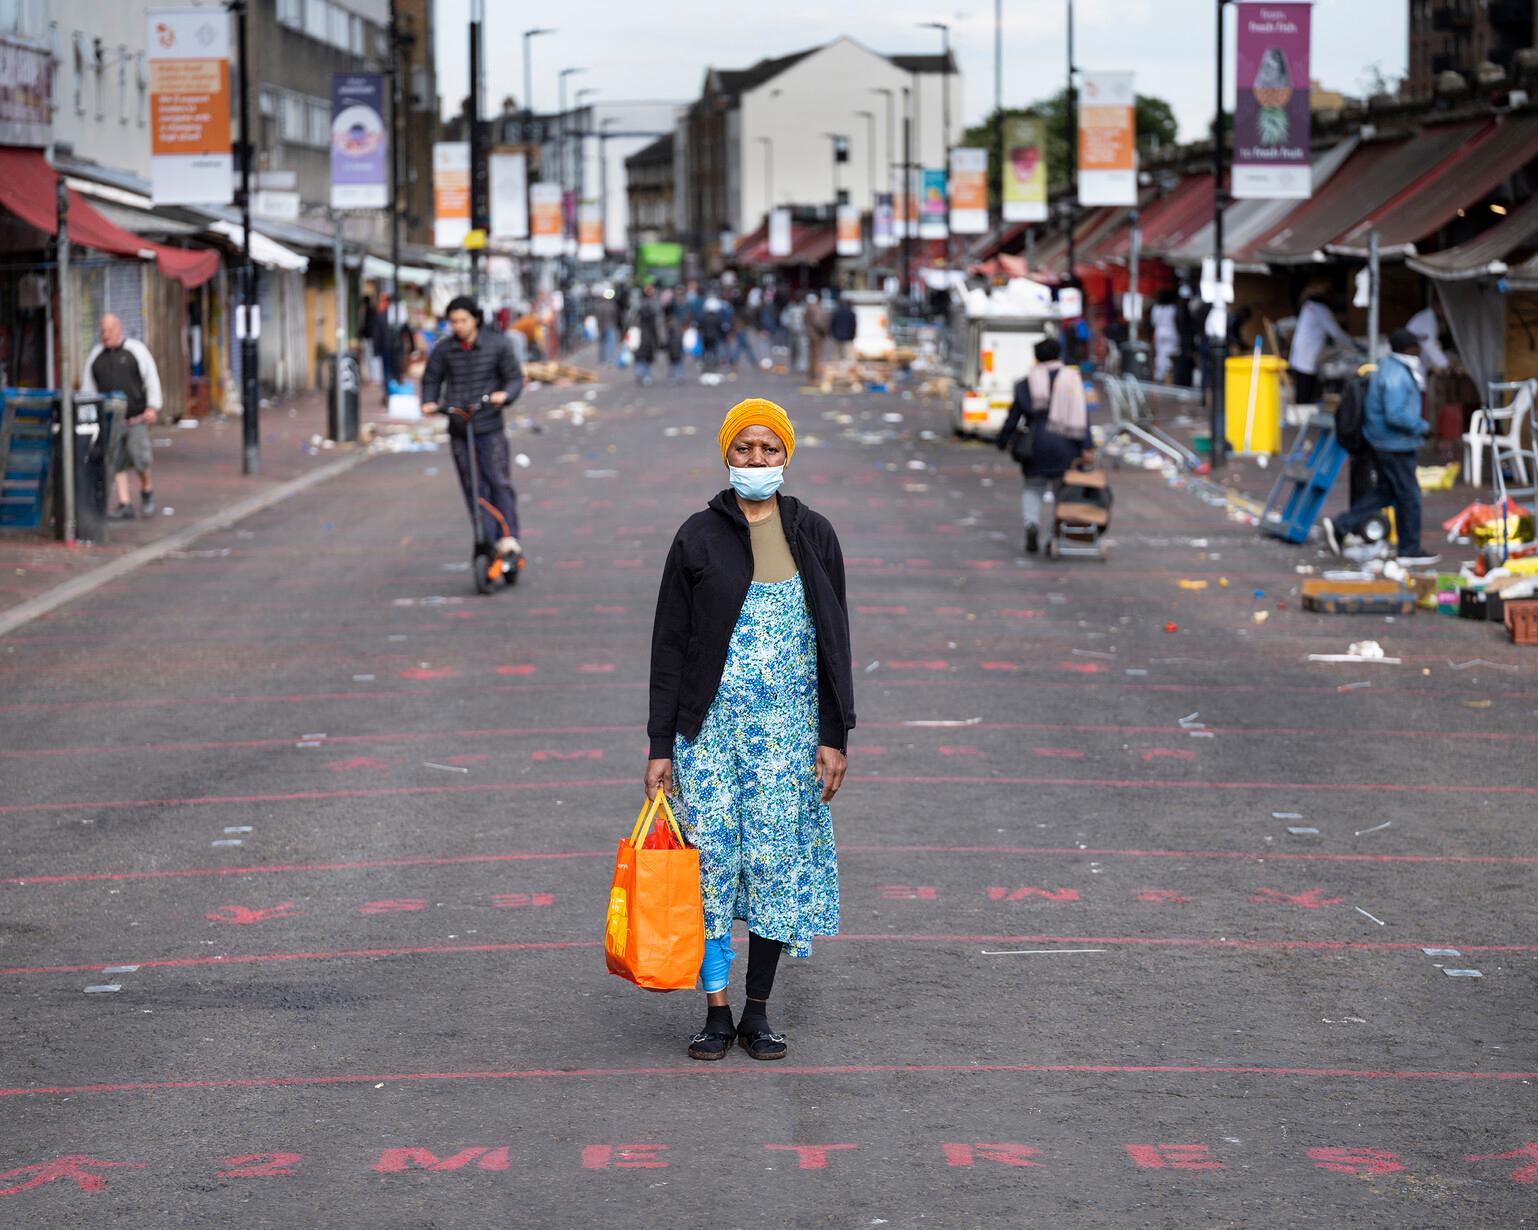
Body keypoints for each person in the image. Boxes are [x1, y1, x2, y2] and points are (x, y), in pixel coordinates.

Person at [646, 398, 854, 1062]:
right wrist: (660, 745)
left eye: (769, 449)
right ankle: (715, 1011)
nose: (756, 460)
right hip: (707, 737)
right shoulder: (696, 537)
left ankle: (757, 1013)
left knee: (772, 866)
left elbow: (834, 642)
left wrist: (834, 735)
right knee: (708, 869)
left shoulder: (814, 534)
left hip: (787, 740)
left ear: (786, 456)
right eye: (744, 449)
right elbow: (670, 645)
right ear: (725, 454)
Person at [420, 295, 524, 564]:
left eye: (462, 320)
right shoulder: (444, 349)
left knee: (497, 481)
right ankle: (485, 539)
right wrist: (429, 402)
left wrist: (505, 395)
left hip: (489, 424)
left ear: (475, 319)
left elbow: (514, 378)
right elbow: (432, 378)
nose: (458, 326)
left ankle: (508, 537)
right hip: (459, 426)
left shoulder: (498, 344)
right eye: (453, 321)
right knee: (472, 486)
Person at [1323, 329, 1438, 568]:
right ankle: (1409, 548)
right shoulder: (1396, 374)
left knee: (1386, 491)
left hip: (1385, 440)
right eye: (1417, 345)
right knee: (1410, 495)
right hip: (1394, 442)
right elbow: (1395, 414)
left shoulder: (1390, 367)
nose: (1420, 349)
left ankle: (1341, 525)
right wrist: (1422, 427)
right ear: (1407, 348)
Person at [997, 338, 1093, 555]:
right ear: (1059, 355)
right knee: (1062, 492)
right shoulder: (1072, 379)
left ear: (1037, 357)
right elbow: (1082, 415)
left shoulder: (1026, 383)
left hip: (1035, 444)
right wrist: (1087, 445)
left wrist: (1003, 440)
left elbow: (1014, 416)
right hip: (1066, 444)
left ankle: (1031, 524)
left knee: (1032, 487)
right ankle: (1053, 536)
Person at [81, 314, 163, 520]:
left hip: (136, 417)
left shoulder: (136, 350)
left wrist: (153, 407)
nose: (105, 335)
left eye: (109, 330)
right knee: (115, 461)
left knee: (140, 458)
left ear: (119, 329)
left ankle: (147, 490)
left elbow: (151, 378)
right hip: (110, 421)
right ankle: (124, 503)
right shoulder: (96, 356)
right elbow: (87, 389)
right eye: (102, 331)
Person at [1288, 283, 1354, 406]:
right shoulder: (1320, 309)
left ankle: (1303, 408)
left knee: (1303, 385)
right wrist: (1352, 344)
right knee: (1305, 389)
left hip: (1302, 351)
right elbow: (1335, 332)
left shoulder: (1309, 306)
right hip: (1307, 353)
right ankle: (1304, 413)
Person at [1405, 299, 1450, 373]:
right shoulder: (1428, 319)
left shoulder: (1429, 317)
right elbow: (1430, 345)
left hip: (1418, 361)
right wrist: (1445, 364)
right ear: (1437, 306)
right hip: (1413, 361)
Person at [1150, 289, 1180, 383]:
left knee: (1160, 355)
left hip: (1160, 332)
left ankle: (1159, 375)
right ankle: (1166, 374)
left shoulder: (1156, 308)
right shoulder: (1173, 308)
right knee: (1168, 355)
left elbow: (1153, 322)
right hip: (1170, 333)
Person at [634, 286, 660, 386]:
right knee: (648, 358)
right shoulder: (655, 306)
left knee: (639, 356)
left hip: (640, 336)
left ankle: (640, 374)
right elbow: (658, 324)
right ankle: (647, 376)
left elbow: (630, 320)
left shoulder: (638, 305)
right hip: (650, 336)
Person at [803, 292, 829, 381]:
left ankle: (811, 376)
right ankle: (815, 376)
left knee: (811, 356)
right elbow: (817, 322)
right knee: (816, 356)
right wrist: (825, 330)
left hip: (811, 334)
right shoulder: (815, 308)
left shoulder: (807, 308)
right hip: (817, 335)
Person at [829, 295, 857, 361]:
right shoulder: (851, 313)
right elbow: (853, 326)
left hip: (837, 337)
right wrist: (852, 336)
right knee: (848, 358)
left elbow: (832, 324)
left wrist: (833, 334)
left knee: (837, 358)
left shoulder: (836, 312)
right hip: (848, 338)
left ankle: (837, 370)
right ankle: (847, 371)